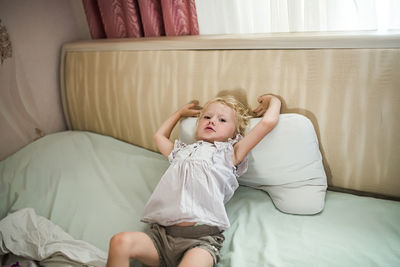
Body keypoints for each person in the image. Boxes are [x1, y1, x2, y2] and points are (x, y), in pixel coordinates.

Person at [106, 94, 282, 267]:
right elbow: (159, 137)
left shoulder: (230, 154)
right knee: (120, 242)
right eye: (207, 117)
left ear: (235, 133)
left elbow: (267, 123)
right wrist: (179, 114)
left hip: (200, 241)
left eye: (222, 120)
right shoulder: (181, 152)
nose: (212, 121)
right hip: (161, 237)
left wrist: (273, 101)